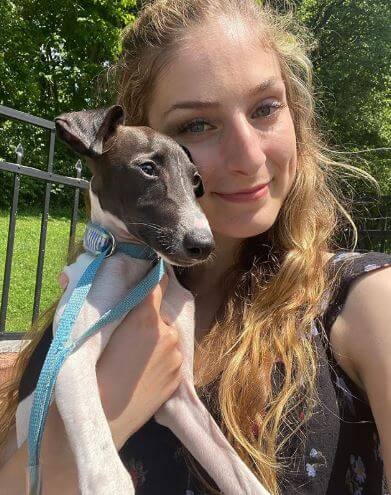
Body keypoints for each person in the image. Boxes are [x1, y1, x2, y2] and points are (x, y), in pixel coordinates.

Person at [0, 0, 390, 493]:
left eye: (266, 108)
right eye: (196, 126)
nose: (248, 158)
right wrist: (117, 399)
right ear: (142, 137)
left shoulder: (371, 302)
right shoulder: (105, 292)